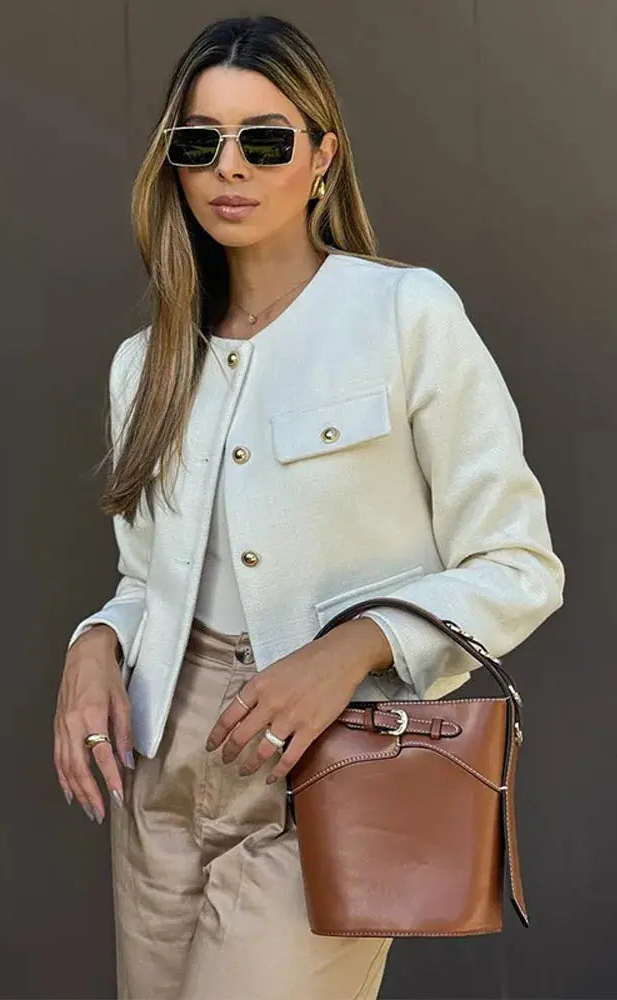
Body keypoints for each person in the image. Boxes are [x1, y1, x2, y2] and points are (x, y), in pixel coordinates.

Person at [53, 14, 565, 1000]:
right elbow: (147, 583)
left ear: (323, 157)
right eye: (200, 142)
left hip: (331, 765)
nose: (229, 167)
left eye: (266, 139)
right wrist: (94, 643)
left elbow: (519, 565)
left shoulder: (404, 317)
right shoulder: (143, 365)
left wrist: (354, 647)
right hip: (162, 769)